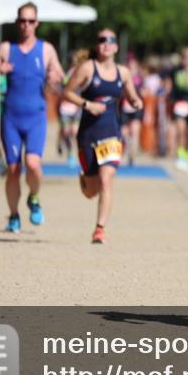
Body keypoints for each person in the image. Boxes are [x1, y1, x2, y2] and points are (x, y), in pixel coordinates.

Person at [62, 29, 143, 244]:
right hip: (88, 134)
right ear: (97, 46)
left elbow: (132, 95)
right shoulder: (88, 68)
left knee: (107, 179)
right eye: (101, 40)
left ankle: (99, 229)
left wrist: (136, 101)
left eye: (111, 41)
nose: (106, 44)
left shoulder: (123, 72)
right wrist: (87, 104)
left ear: (116, 47)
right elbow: (67, 92)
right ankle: (85, 179)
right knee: (91, 192)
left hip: (111, 133)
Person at [0, 2, 64, 233]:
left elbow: (60, 77)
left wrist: (54, 77)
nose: (26, 25)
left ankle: (34, 198)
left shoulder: (46, 49)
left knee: (33, 164)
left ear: (37, 23)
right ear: (17, 23)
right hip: (11, 117)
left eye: (31, 21)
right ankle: (13, 216)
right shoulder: (5, 48)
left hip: (35, 117)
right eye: (22, 21)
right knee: (13, 170)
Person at [57, 48, 90, 167]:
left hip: (77, 107)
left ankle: (74, 154)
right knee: (66, 132)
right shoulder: (66, 74)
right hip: (65, 108)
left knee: (74, 132)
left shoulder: (81, 72)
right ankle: (69, 151)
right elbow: (60, 89)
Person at [119, 56, 144, 166]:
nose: (132, 69)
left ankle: (132, 156)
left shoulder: (139, 79)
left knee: (135, 131)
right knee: (124, 133)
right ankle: (127, 146)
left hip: (135, 109)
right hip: (124, 109)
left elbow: (142, 92)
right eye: (130, 67)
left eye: (134, 67)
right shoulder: (122, 79)